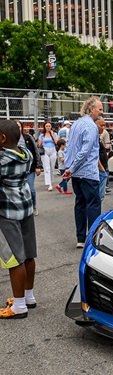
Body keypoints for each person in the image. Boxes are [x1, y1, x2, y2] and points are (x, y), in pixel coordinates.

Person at [0, 119, 37, 319]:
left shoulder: (2, 160)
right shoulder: (26, 154)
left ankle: (19, 306)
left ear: (3, 138)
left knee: (14, 259)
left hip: (7, 213)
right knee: (29, 255)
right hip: (26, 208)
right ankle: (28, 297)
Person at [62, 96, 102, 248]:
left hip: (76, 172)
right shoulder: (90, 126)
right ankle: (92, 238)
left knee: (80, 203)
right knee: (93, 203)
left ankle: (80, 238)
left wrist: (69, 167)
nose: (101, 113)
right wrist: (71, 168)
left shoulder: (76, 124)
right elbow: (85, 151)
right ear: (91, 109)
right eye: (100, 109)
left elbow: (70, 147)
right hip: (88, 172)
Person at [16, 121, 42, 216]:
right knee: (19, 190)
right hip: (17, 169)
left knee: (31, 189)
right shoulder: (10, 139)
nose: (17, 128)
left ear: (22, 127)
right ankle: (23, 208)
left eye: (18, 126)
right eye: (15, 126)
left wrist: (38, 166)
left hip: (30, 168)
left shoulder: (28, 137)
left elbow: (36, 152)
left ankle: (33, 206)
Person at [38, 121, 59, 191]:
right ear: (44, 127)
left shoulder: (54, 134)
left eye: (49, 126)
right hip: (45, 150)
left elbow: (57, 142)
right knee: (46, 167)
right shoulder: (42, 135)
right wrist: (40, 143)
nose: (48, 128)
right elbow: (39, 145)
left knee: (52, 168)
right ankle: (49, 183)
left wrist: (52, 135)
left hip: (52, 150)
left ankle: (51, 182)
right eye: (46, 126)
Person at [96, 117, 109, 200]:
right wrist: (102, 169)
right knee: (99, 197)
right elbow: (94, 155)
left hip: (102, 166)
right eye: (101, 125)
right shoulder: (94, 137)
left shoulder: (97, 137)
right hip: (100, 168)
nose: (103, 127)